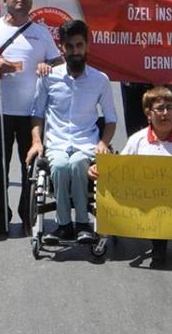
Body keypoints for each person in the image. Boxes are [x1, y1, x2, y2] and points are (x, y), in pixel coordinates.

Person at [0, 0, 63, 236]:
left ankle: (27, 216)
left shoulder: (41, 32)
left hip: (32, 113)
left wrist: (48, 67)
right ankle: (0, 219)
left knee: (30, 169)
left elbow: (58, 63)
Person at [26, 20, 116, 244]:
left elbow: (111, 119)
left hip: (86, 144)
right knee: (59, 165)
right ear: (62, 48)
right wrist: (36, 142)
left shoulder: (100, 80)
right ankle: (64, 225)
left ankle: (83, 224)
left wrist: (104, 143)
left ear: (87, 47)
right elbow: (37, 114)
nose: (75, 52)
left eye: (79, 46)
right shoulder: (48, 77)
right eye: (70, 46)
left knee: (76, 164)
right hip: (56, 143)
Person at [92, 86, 172, 267]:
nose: (165, 113)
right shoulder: (138, 140)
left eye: (169, 108)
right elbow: (120, 170)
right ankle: (158, 246)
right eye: (160, 108)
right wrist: (100, 169)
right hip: (151, 204)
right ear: (148, 113)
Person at [119, 0, 172, 136]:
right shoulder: (128, 12)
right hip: (132, 81)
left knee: (159, 128)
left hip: (158, 80)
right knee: (134, 130)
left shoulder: (166, 15)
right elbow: (113, 26)